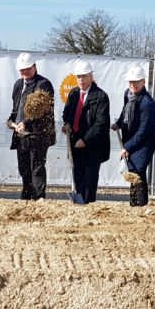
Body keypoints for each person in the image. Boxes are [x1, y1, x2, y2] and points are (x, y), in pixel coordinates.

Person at [7, 52, 56, 200]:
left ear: (34, 67)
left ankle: (38, 199)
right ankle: (26, 198)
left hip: (38, 135)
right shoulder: (18, 85)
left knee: (37, 169)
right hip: (21, 135)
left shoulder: (43, 85)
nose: (24, 72)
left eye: (27, 68)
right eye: (21, 69)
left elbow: (39, 110)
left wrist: (25, 122)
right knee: (24, 170)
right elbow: (16, 108)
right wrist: (11, 120)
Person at [62, 60, 110, 204]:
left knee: (89, 181)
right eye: (79, 77)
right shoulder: (74, 93)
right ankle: (79, 204)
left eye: (84, 76)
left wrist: (85, 140)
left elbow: (101, 124)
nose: (81, 80)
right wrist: (66, 124)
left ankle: (88, 206)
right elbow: (66, 114)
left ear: (91, 76)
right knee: (77, 177)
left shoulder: (101, 96)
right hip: (75, 144)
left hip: (93, 147)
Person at [114, 65, 155, 206]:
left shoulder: (147, 103)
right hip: (132, 138)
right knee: (131, 169)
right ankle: (133, 204)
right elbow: (124, 111)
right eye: (131, 82)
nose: (133, 85)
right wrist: (119, 123)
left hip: (145, 141)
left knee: (138, 170)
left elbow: (144, 130)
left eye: (136, 82)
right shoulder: (128, 94)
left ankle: (141, 205)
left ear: (143, 82)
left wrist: (127, 146)